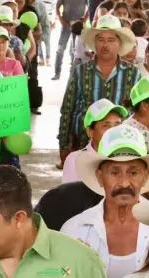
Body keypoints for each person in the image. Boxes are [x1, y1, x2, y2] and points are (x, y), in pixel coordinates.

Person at [62, 124, 149, 278]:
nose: (124, 183)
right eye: (115, 172)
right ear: (100, 177)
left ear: (145, 176)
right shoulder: (75, 231)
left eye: (133, 172)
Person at [59, 14, 139, 166]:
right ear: (94, 43)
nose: (105, 45)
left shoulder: (133, 74)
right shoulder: (80, 72)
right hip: (83, 145)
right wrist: (64, 146)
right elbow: (67, 109)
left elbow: (138, 112)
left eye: (111, 40)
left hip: (121, 147)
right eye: (101, 39)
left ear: (119, 44)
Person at [62, 98, 127, 183]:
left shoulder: (128, 158)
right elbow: (70, 194)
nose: (113, 131)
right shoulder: (75, 161)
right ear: (90, 132)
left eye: (117, 125)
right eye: (106, 126)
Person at [52, 0, 87, 80]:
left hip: (78, 26)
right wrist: (60, 19)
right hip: (66, 25)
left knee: (75, 50)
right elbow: (57, 7)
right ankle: (57, 73)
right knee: (60, 49)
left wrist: (84, 20)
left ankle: (73, 73)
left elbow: (89, 7)